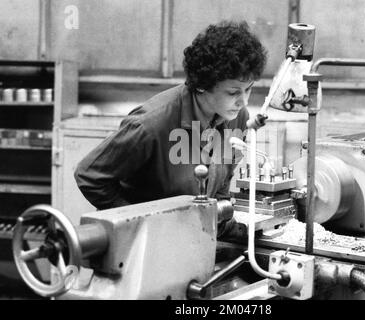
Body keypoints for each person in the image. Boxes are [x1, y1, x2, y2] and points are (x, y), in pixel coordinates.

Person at [74, 20, 267, 237]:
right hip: (144, 246)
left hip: (194, 239)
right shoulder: (150, 125)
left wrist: (220, 221)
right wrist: (136, 224)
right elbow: (89, 175)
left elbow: (223, 181)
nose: (243, 101)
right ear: (203, 85)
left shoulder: (238, 118)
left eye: (248, 90)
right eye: (233, 93)